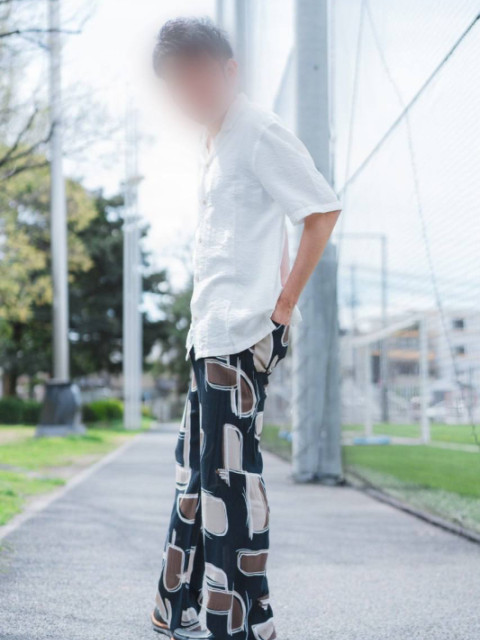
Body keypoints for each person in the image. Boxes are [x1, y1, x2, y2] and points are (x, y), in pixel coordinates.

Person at [151, 17, 341, 640]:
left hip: (240, 335)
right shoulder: (216, 142)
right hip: (209, 334)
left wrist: (281, 308)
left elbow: (319, 209)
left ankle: (236, 624)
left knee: (229, 486)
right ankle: (175, 607)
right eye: (180, 86)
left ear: (229, 71)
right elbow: (263, 230)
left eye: (200, 79)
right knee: (197, 474)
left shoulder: (256, 129)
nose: (191, 95)